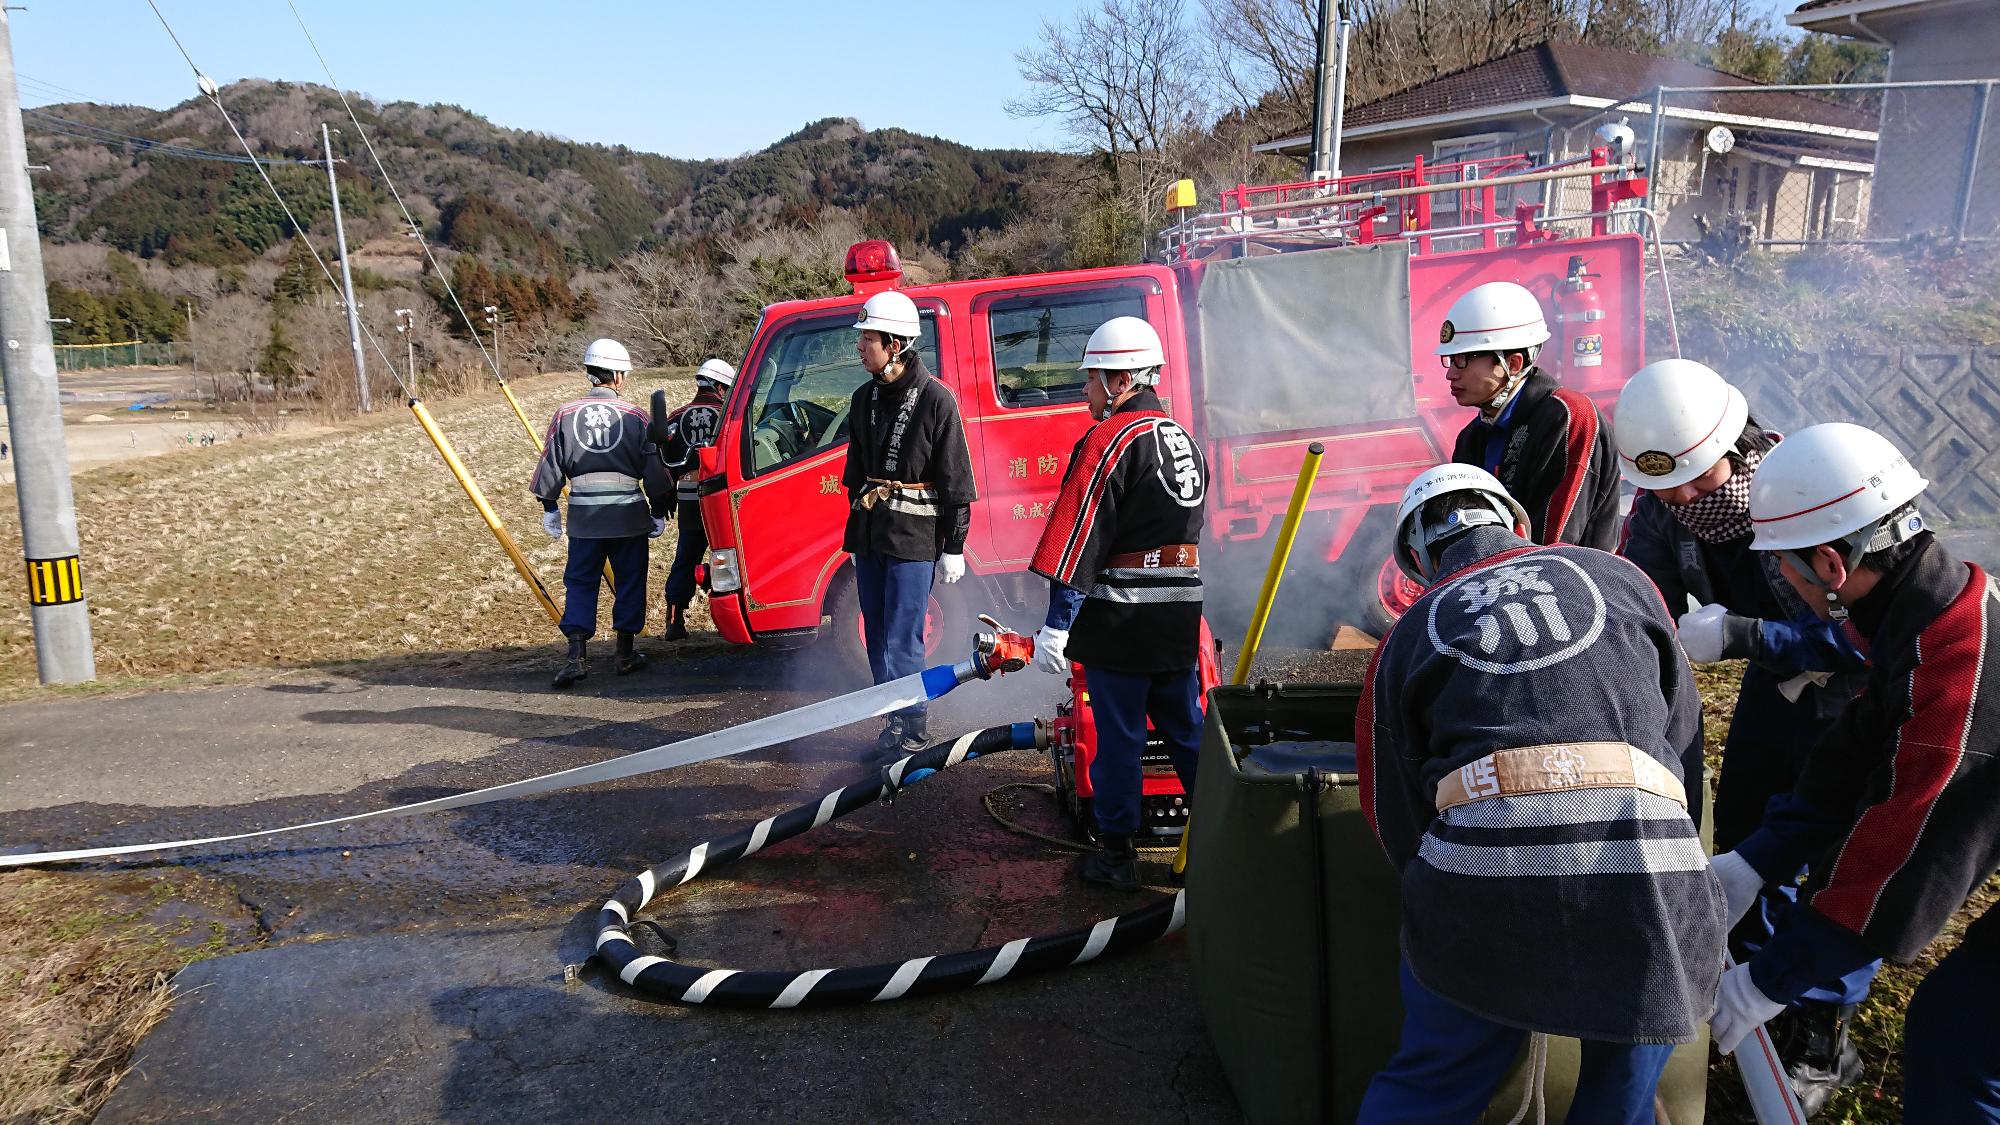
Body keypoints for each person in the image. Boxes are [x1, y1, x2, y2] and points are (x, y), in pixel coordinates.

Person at [1356, 463, 1724, 1125]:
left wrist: (1434, 885)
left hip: (1482, 887)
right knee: (1622, 1091)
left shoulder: (1407, 637)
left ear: (1417, 558)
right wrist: (1676, 852)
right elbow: (1682, 733)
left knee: (1433, 1083)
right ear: (1518, 523)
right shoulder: (1620, 576)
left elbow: (1390, 804)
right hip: (1649, 869)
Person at [1708, 422, 1998, 1122]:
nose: (1781, 576)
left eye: (1785, 561)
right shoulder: (1922, 612)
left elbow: (1899, 862)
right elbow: (1854, 756)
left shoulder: (1958, 670)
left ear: (1832, 565)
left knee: (1963, 1037)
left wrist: (1765, 983)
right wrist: (1753, 862)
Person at [1613, 359, 1874, 1112]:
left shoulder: (1801, 492)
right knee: (1753, 838)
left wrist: (1745, 633)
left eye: (1697, 480)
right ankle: (1761, 991)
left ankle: (1825, 1036)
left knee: (1839, 855)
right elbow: (1642, 589)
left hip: (1856, 696)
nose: (1685, 501)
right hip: (1773, 692)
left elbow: (1865, 632)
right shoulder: (1664, 509)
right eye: (1666, 487)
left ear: (1739, 438)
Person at [1029, 316, 1208, 892]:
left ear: (1121, 378)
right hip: (1179, 616)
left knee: (1119, 740)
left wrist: (1057, 625)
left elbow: (1077, 535)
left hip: (1122, 618)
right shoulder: (1183, 438)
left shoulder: (1111, 440)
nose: (1086, 392)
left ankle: (1115, 853)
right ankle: (1222, 837)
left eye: (1092, 380)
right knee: (1188, 731)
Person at [841, 290, 976, 756]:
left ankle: (913, 724)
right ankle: (890, 721)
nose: (860, 346)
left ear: (895, 344)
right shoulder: (863, 399)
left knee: (903, 636)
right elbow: (854, 476)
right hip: (871, 536)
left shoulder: (937, 400)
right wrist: (859, 538)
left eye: (868, 338)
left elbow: (956, 478)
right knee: (875, 634)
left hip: (915, 538)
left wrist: (955, 545)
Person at [530, 337, 672, 688]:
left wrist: (549, 507)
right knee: (629, 581)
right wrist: (659, 509)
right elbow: (653, 466)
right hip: (628, 516)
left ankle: (576, 657)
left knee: (580, 582)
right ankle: (624, 654)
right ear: (617, 376)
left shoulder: (565, 414)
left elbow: (551, 463)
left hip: (583, 518)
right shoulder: (636, 416)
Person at [1438, 280, 1619, 549]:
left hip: (1572, 585)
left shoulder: (1568, 417)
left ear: (1512, 363)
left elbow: (1554, 545)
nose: (1450, 373)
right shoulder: (1471, 438)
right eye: (1450, 360)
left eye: (1463, 360)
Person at [657, 357, 734, 642]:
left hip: (688, 498)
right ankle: (728, 617)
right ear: (719, 386)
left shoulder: (676, 417)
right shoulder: (728, 415)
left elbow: (662, 459)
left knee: (686, 556)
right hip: (724, 497)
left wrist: (665, 498)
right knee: (729, 556)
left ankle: (674, 620)